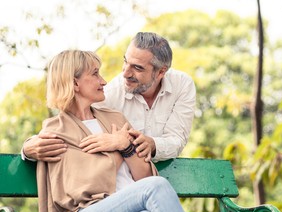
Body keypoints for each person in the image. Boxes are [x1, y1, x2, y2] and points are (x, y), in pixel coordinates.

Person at [37, 49, 205, 212]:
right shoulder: (56, 131)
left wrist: (125, 147)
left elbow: (145, 177)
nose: (104, 81)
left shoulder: (115, 118)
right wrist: (118, 150)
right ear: (75, 83)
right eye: (96, 73)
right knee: (157, 186)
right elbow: (87, 186)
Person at [22, 32, 196, 163]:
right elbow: (69, 123)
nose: (126, 73)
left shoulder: (182, 85)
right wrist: (28, 148)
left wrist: (153, 144)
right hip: (121, 183)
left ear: (161, 72)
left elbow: (176, 139)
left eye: (137, 68)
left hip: (153, 177)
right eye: (125, 62)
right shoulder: (111, 94)